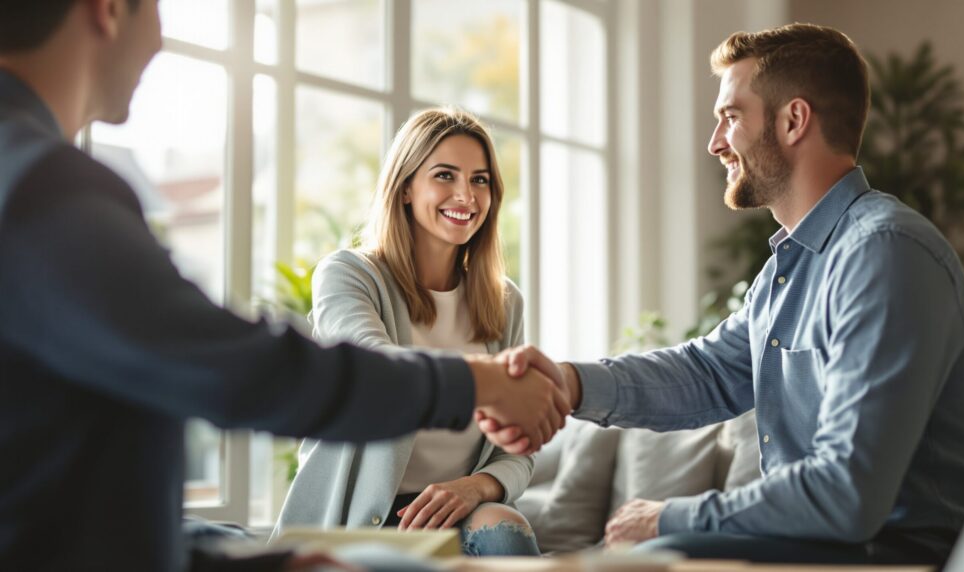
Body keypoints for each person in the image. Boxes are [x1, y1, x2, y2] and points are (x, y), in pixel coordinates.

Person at [0, 1, 568, 570]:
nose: (160, 38)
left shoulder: (32, 178)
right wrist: (477, 382)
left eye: (480, 181)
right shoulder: (41, 187)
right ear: (108, 10)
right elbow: (240, 368)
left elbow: (56, 487)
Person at [482, 23, 964, 565]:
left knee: (655, 555)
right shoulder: (796, 265)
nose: (714, 143)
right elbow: (704, 374)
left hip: (901, 556)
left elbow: (848, 492)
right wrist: (567, 384)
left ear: (793, 120)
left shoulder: (885, 254)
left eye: (730, 117)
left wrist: (670, 516)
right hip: (825, 547)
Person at [276, 108, 540, 556]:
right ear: (404, 189)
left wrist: (476, 487)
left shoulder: (504, 301)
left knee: (506, 528)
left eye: (480, 180)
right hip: (357, 522)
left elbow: (518, 446)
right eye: (445, 175)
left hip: (457, 511)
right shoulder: (348, 274)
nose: (466, 195)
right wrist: (486, 382)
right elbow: (377, 370)